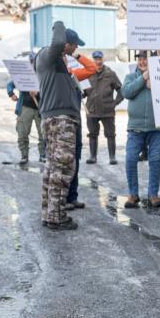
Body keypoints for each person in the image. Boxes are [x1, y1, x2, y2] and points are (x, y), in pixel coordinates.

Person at [35, 22, 84, 230]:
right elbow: (56, 40)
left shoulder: (58, 63)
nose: (76, 50)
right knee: (62, 167)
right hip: (60, 120)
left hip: (58, 118)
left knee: (53, 167)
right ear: (66, 44)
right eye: (74, 46)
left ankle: (50, 213)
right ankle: (56, 216)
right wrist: (58, 24)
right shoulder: (49, 55)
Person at [122, 51, 160, 208]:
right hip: (136, 127)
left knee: (155, 160)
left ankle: (153, 195)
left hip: (157, 126)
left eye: (145, 59)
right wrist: (144, 78)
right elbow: (126, 92)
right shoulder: (130, 77)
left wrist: (155, 85)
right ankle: (133, 194)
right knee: (131, 159)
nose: (142, 62)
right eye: (140, 59)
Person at [64, 50, 97, 211]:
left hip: (76, 121)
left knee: (75, 160)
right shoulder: (53, 76)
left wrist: (76, 55)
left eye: (66, 58)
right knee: (63, 162)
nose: (65, 61)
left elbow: (91, 68)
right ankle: (62, 198)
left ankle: (72, 196)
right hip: (62, 123)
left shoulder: (73, 74)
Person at [84, 51, 123, 165]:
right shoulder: (88, 74)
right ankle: (92, 156)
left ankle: (112, 157)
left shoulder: (110, 74)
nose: (98, 61)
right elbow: (84, 92)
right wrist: (79, 93)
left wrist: (115, 103)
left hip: (107, 111)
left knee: (110, 134)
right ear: (93, 60)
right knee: (92, 134)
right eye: (95, 59)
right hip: (91, 110)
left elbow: (120, 89)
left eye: (99, 59)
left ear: (103, 59)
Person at [7, 54, 43, 164]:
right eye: (31, 61)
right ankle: (24, 155)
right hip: (25, 107)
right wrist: (11, 93)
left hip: (40, 108)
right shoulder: (23, 74)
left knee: (43, 134)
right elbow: (10, 84)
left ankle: (43, 155)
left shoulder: (43, 74)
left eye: (35, 61)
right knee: (22, 133)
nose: (33, 63)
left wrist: (38, 93)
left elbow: (49, 89)